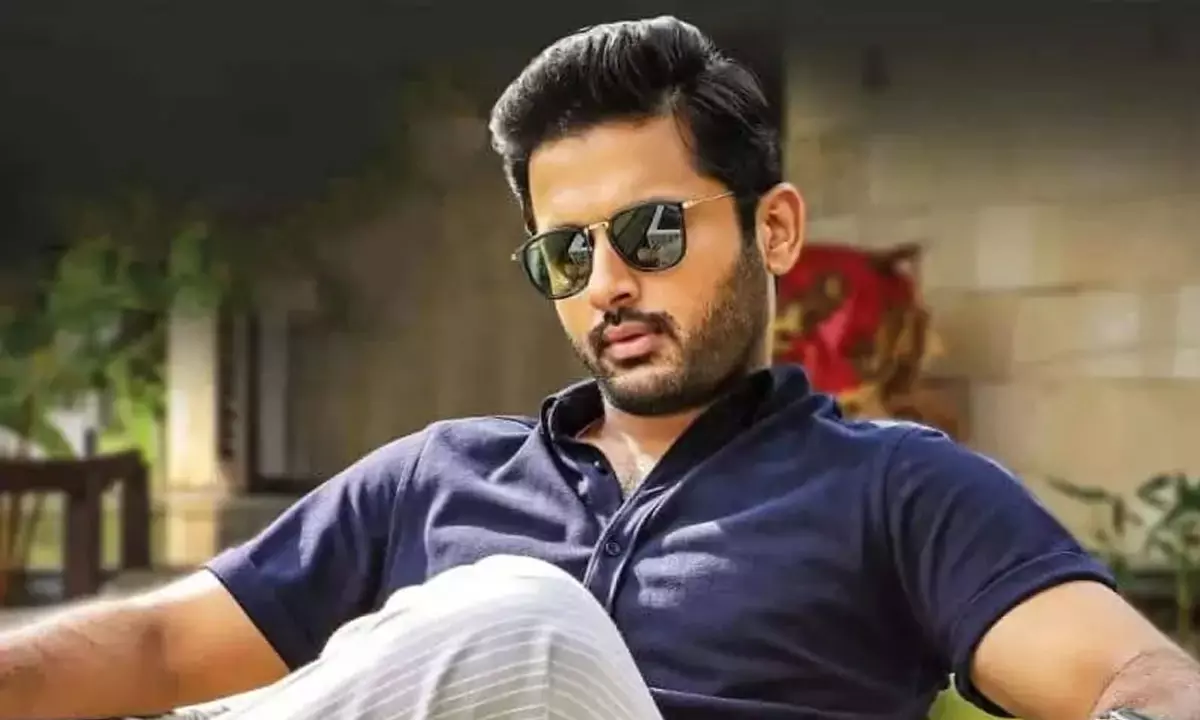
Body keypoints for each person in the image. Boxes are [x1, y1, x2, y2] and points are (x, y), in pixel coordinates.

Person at [1, 15, 1198, 720]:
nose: (606, 283)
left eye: (652, 232)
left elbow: (1132, 671)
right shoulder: (433, 478)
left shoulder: (898, 488)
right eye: (565, 253)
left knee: (526, 621)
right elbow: (159, 647)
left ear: (776, 229)